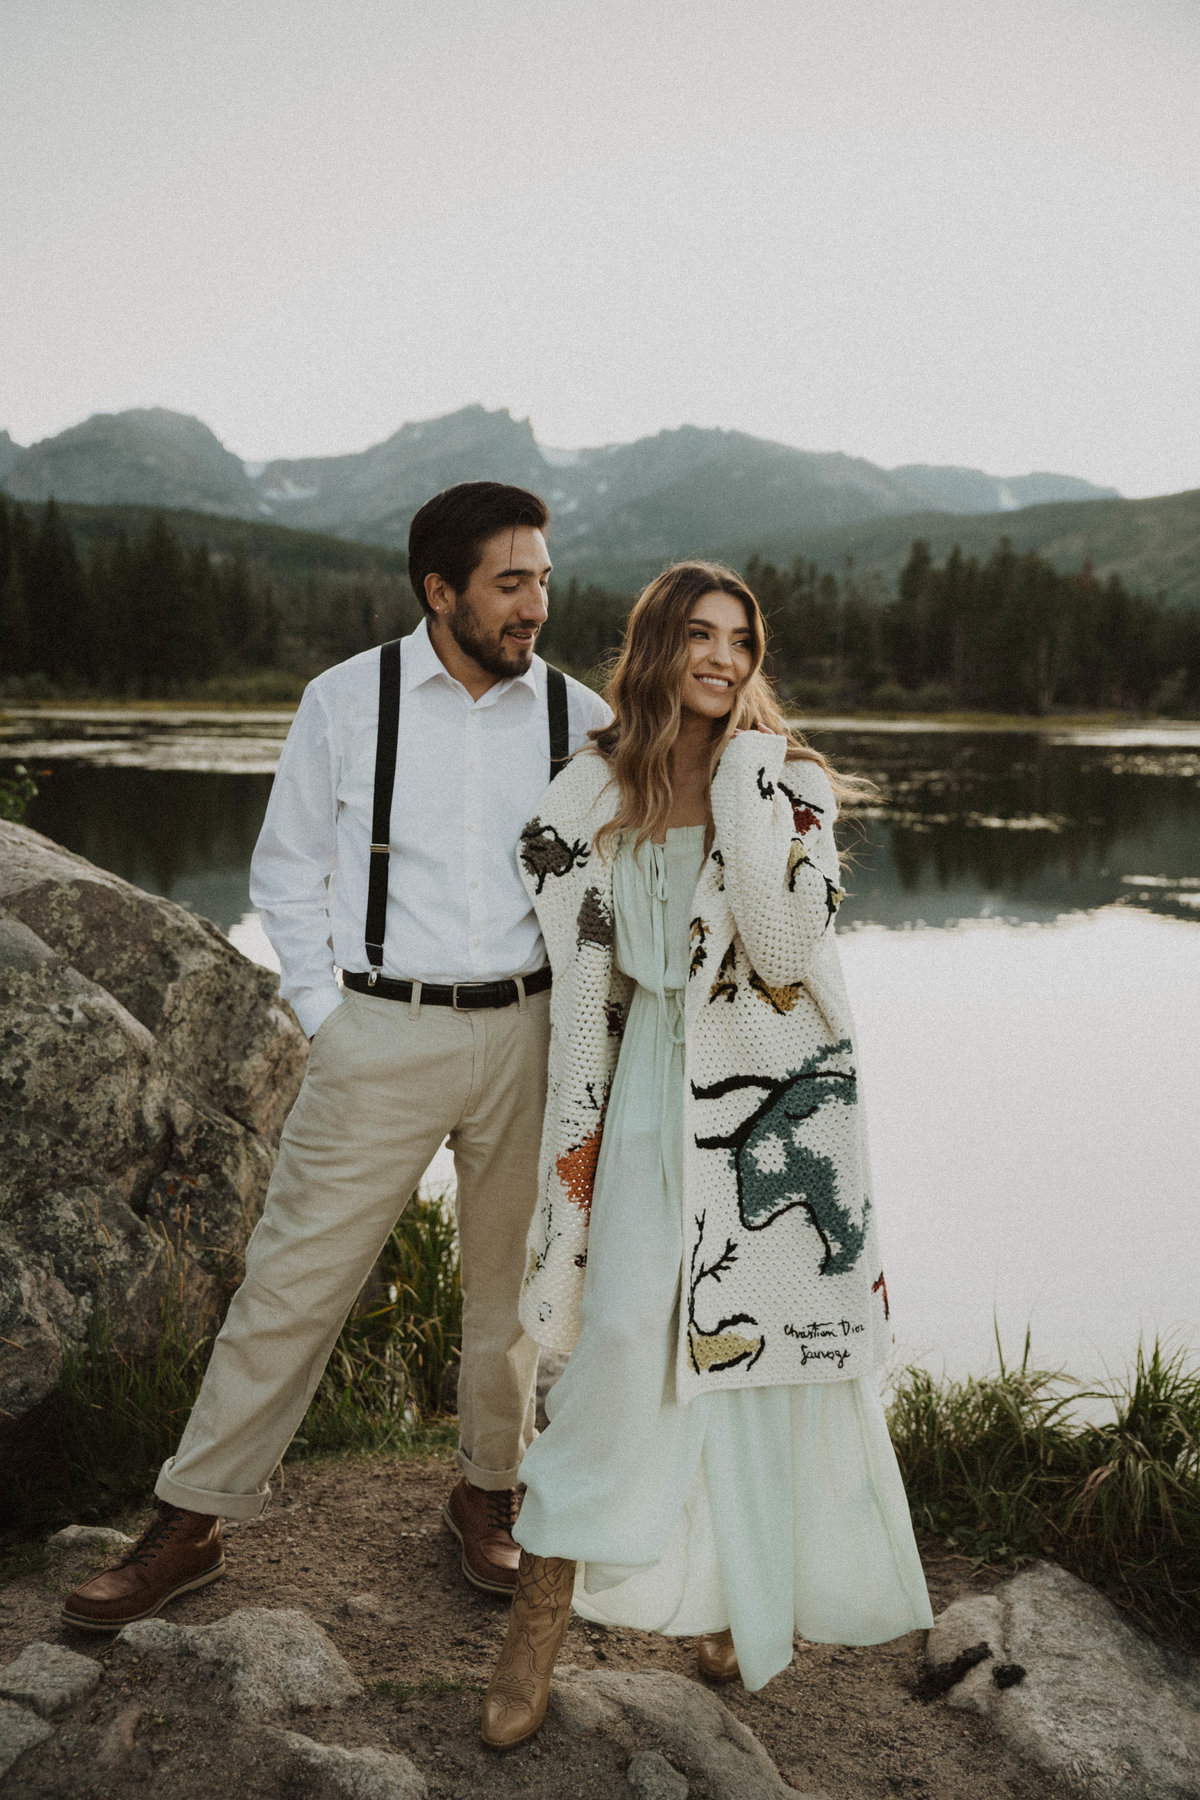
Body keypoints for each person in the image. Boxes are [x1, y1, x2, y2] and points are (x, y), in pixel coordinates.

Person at [62, 481, 611, 1631]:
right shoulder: (347, 700)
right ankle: (194, 1516)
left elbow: (618, 885)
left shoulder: (581, 718)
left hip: (533, 1034)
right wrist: (328, 1015)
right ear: (441, 590)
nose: (535, 605)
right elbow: (286, 868)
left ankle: (489, 1492)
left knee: (514, 1297)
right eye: (511, 583)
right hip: (381, 1034)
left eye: (544, 581)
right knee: (292, 1282)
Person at [479, 561, 933, 1747]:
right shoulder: (594, 787)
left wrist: (741, 780)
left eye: (742, 639)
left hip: (760, 1105)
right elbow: (578, 948)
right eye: (700, 635)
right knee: (620, 1345)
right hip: (641, 1093)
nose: (725, 658)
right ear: (657, 649)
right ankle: (536, 1624)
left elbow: (781, 946)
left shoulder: (791, 781)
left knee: (757, 1360)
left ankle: (736, 1602)